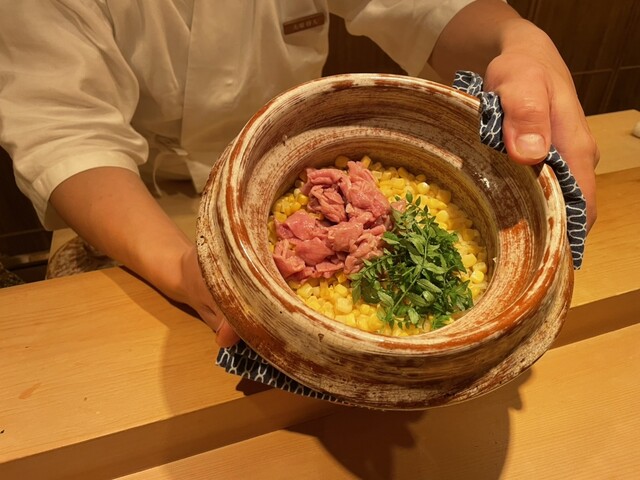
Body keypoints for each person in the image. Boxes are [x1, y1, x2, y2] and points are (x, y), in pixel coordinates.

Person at [0, 0, 598, 347]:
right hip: (140, 205)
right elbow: (65, 132)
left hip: (301, 163)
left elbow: (430, 9)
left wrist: (519, 38)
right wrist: (183, 269)